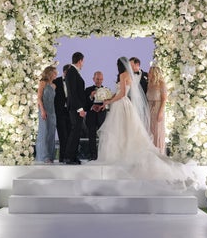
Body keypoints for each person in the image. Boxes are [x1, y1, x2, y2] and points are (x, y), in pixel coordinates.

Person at [97, 57, 194, 189]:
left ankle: (120, 154)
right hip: (127, 104)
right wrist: (110, 98)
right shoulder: (129, 75)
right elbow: (122, 92)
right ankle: (125, 153)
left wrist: (109, 101)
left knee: (119, 130)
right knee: (127, 130)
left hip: (122, 104)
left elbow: (122, 94)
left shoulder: (123, 75)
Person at [63, 52, 86, 164]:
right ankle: (69, 157)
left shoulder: (72, 72)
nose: (83, 64)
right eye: (83, 61)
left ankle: (72, 156)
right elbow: (72, 92)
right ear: (80, 60)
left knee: (76, 132)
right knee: (74, 132)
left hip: (75, 107)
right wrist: (80, 109)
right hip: (75, 108)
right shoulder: (72, 72)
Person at [83, 71, 107, 161]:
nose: (99, 81)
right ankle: (92, 155)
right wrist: (90, 97)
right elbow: (84, 105)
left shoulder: (106, 90)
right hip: (91, 116)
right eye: (97, 79)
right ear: (93, 79)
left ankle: (102, 155)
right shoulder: (88, 90)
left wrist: (104, 105)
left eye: (101, 79)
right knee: (91, 136)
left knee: (103, 136)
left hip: (102, 115)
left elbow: (108, 104)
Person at [35, 66, 57, 163]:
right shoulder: (42, 83)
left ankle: (50, 156)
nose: (56, 74)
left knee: (51, 133)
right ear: (49, 73)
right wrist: (42, 110)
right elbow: (39, 98)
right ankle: (44, 157)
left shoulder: (54, 86)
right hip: (43, 110)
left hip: (52, 112)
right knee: (44, 133)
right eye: (54, 73)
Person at [147, 65, 168, 151]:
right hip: (149, 108)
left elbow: (164, 99)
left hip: (157, 108)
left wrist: (160, 112)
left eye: (150, 72)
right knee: (150, 130)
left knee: (158, 131)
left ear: (154, 73)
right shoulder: (149, 84)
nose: (148, 74)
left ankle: (159, 152)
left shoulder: (161, 84)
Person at [53, 64, 71, 163]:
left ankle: (67, 157)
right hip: (59, 112)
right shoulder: (56, 82)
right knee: (62, 135)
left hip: (69, 112)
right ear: (64, 72)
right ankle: (62, 158)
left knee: (69, 135)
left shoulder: (72, 82)